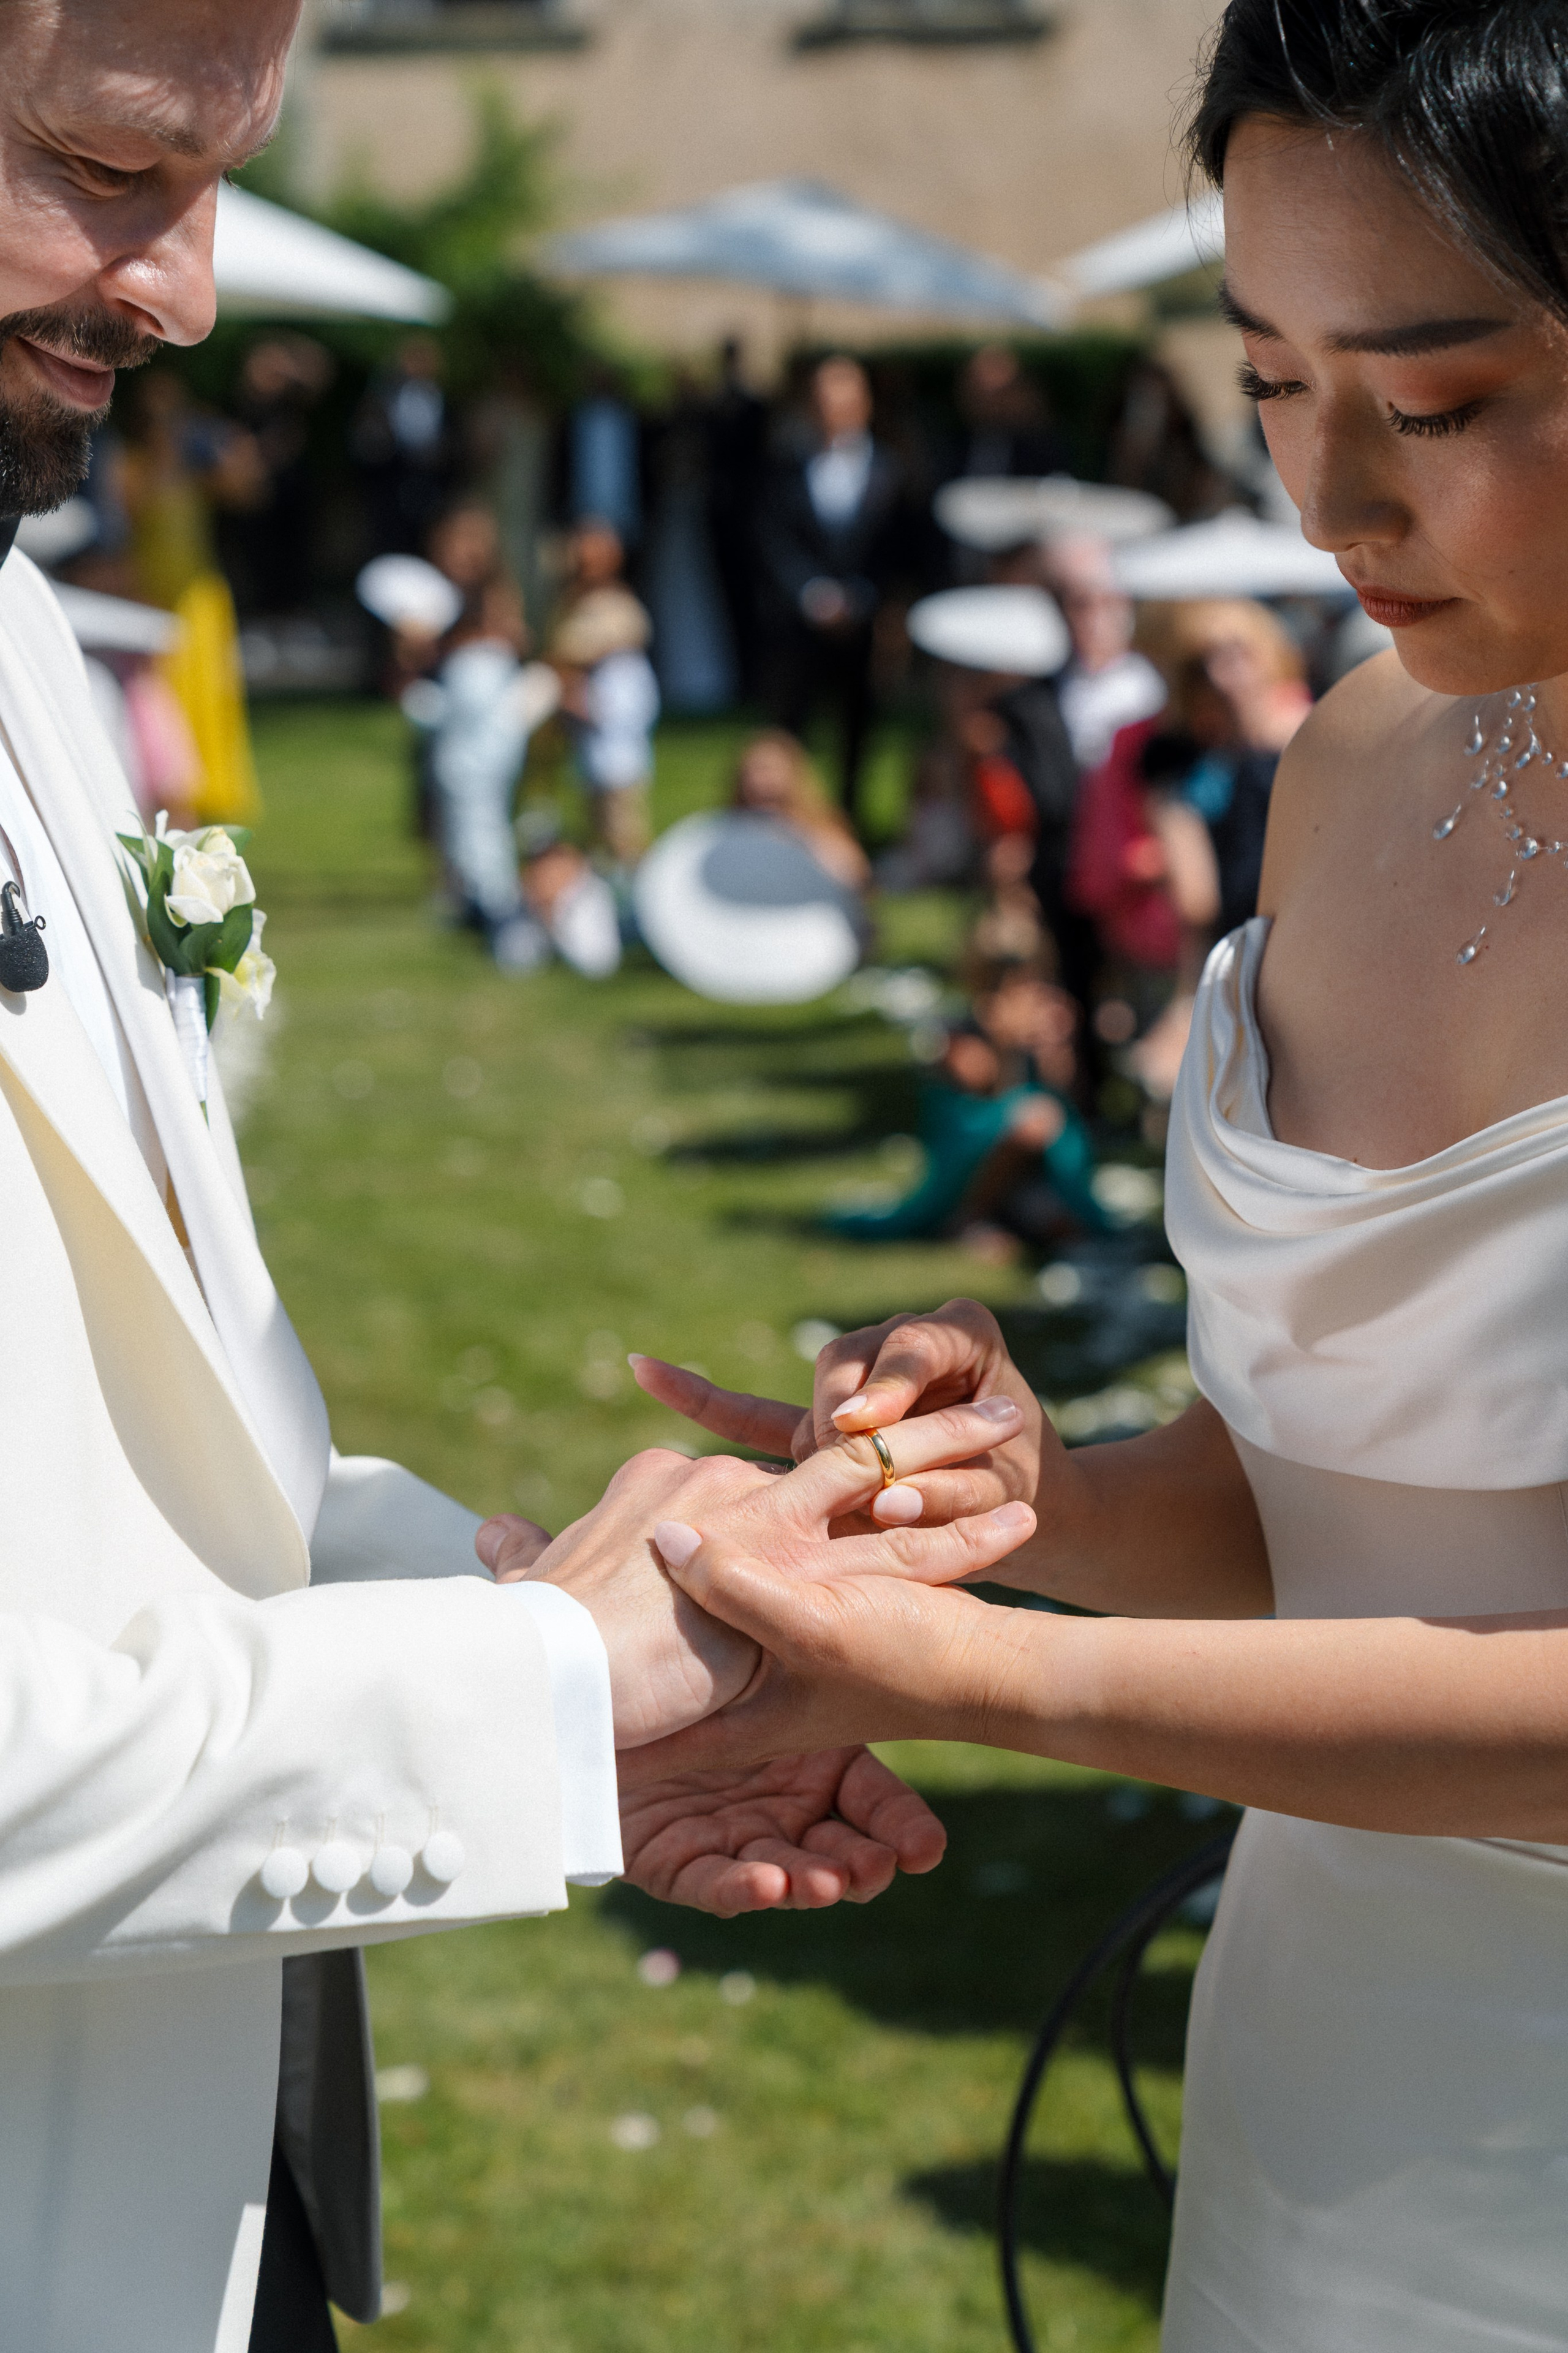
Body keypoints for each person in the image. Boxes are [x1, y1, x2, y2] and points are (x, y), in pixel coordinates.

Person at [0, 7, 1029, 2345]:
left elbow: (121, 1432)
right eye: (103, 163)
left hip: (191, 2178)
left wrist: (582, 1606)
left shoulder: (22, 620)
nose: (185, 291)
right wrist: (537, 1686)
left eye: (216, 182)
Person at [626, 3, 1568, 2344]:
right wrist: (1015, 1497)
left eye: (1431, 404)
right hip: (1328, 2071)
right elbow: (1340, 1503)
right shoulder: (1354, 760)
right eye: (1263, 377)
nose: (1323, 505)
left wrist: (976, 1683)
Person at [756, 355, 907, 839]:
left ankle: (845, 821)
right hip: (801, 621)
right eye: (822, 402)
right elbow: (771, 538)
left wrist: (864, 598)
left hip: (862, 622)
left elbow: (897, 546)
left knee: (857, 729)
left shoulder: (890, 469)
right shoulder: (785, 464)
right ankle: (782, 819)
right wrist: (810, 593)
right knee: (792, 724)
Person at [730, 728, 870, 895]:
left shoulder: (821, 824)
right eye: (755, 770)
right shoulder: (727, 829)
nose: (763, 781)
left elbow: (857, 876)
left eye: (771, 769)